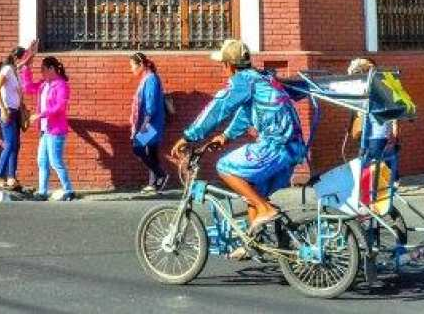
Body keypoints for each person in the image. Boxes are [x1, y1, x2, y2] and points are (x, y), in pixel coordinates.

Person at [175, 39, 305, 237]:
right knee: (251, 191)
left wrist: (189, 136)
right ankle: (252, 243)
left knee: (225, 167)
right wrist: (226, 136)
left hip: (275, 146)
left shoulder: (242, 80)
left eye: (223, 65)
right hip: (294, 149)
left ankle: (266, 209)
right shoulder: (263, 78)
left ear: (229, 65)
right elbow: (246, 113)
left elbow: (219, 108)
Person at [22, 55, 74, 201]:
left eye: (43, 69)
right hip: (45, 131)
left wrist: (40, 115)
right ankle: (42, 191)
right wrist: (26, 67)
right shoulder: (44, 84)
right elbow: (27, 87)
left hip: (56, 130)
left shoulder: (62, 85)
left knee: (55, 161)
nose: (42, 73)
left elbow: (59, 107)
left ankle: (69, 190)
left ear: (52, 69)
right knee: (42, 160)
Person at [0, 44, 29, 193]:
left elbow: (24, 63)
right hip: (6, 111)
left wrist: (31, 51)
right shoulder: (7, 69)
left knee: (16, 145)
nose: (24, 61)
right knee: (10, 144)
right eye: (23, 57)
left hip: (15, 111)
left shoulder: (15, 71)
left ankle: (11, 177)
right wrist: (3, 109)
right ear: (15, 57)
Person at [129, 52, 168, 193]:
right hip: (152, 122)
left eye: (132, 66)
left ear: (141, 65)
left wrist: (144, 126)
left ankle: (161, 175)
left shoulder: (150, 79)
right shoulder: (148, 78)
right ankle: (154, 184)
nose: (131, 69)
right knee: (151, 153)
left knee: (137, 148)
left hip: (150, 123)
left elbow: (150, 106)